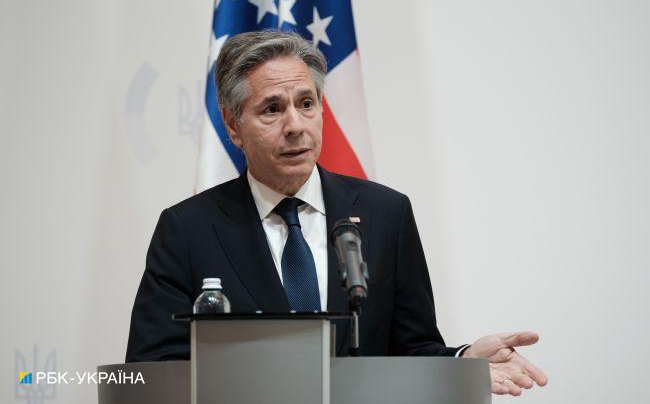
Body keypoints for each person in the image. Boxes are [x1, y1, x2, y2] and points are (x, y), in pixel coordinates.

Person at [126, 30, 548, 396]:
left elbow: (413, 350)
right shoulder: (187, 229)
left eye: (306, 103)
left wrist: (464, 361)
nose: (295, 125)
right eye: (272, 109)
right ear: (233, 125)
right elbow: (150, 371)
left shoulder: (386, 214)